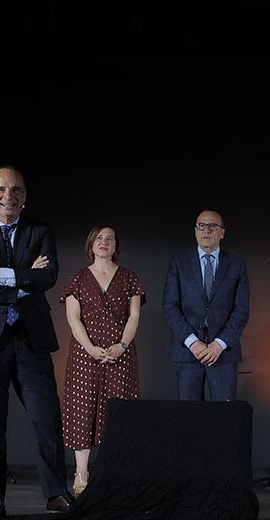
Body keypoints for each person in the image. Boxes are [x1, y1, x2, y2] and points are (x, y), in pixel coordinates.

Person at [0, 166, 70, 519]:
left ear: (25, 196)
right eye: (1, 189)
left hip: (30, 339)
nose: (9, 195)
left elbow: (48, 277)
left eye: (16, 189)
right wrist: (25, 283)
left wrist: (3, 276)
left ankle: (56, 494)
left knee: (47, 419)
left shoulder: (40, 231)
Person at [60, 226, 145, 496]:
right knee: (82, 409)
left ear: (116, 245)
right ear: (91, 244)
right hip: (85, 355)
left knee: (119, 412)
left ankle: (116, 471)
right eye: (99, 238)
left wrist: (121, 345)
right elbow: (73, 318)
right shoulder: (78, 278)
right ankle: (81, 472)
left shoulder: (130, 277)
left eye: (110, 238)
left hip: (121, 355)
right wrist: (90, 348)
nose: (104, 242)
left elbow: (133, 317)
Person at [162, 209, 249, 402]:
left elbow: (241, 310)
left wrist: (219, 344)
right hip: (187, 353)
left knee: (225, 419)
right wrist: (193, 342)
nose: (206, 230)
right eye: (201, 225)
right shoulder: (178, 262)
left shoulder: (237, 265)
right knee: (190, 419)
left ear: (222, 233)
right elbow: (170, 307)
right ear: (195, 231)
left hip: (223, 354)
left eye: (212, 226)